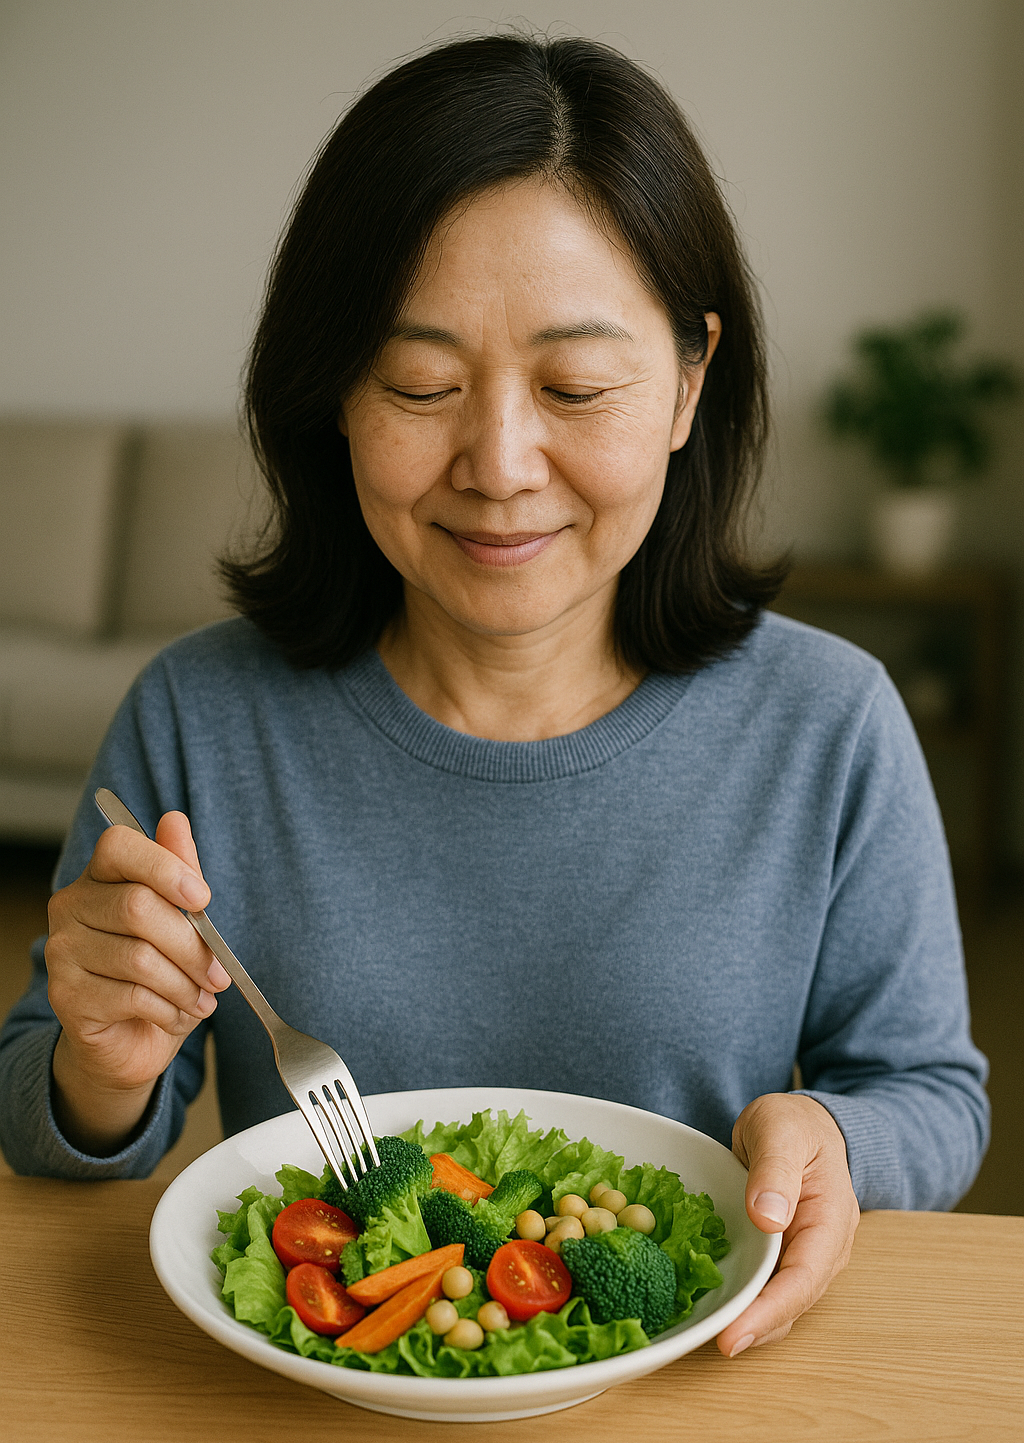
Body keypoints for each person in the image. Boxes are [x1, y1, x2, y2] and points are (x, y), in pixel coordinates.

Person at [0, 34, 987, 1360]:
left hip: (694, 1399)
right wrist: (102, 1071)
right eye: (422, 386)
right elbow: (46, 1118)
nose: (501, 463)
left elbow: (930, 1092)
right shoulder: (201, 716)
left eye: (576, 387)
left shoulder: (832, 721)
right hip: (307, 1415)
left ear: (692, 380)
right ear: (334, 393)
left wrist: (834, 1137)